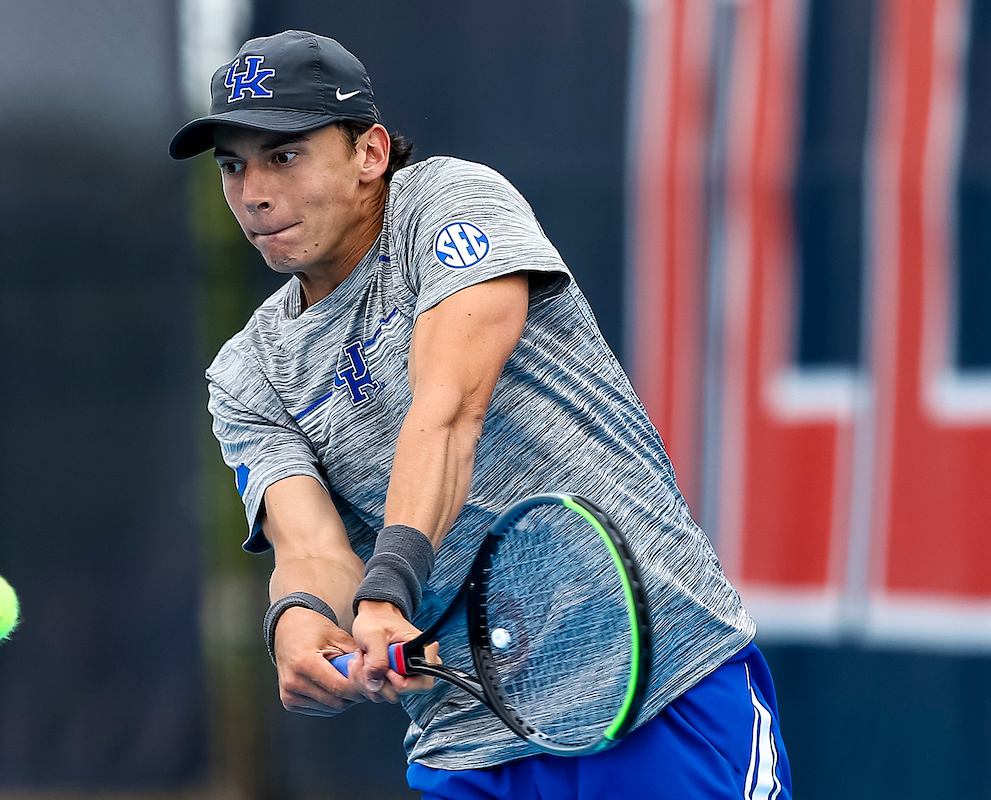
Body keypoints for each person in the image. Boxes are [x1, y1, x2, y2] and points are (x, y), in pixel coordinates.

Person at [170, 29, 792, 800]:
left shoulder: (450, 202)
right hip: (467, 742)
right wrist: (297, 621)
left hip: (655, 685)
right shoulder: (245, 374)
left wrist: (386, 590)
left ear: (368, 153)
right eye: (234, 165)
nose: (255, 191)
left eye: (284, 156)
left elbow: (450, 408)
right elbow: (311, 547)